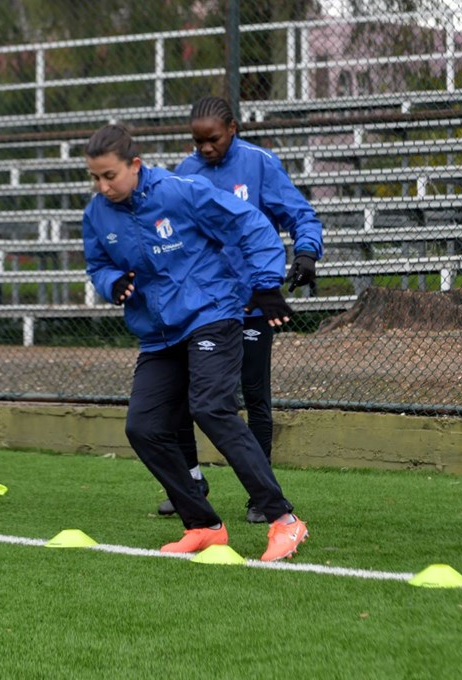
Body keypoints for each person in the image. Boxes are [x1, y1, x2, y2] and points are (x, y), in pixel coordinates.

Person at [81, 124, 308, 561]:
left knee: (210, 407)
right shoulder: (97, 214)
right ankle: (203, 524)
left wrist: (265, 284)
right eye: (95, 177)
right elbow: (97, 262)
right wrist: (113, 283)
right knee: (142, 428)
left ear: (135, 165)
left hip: (212, 314)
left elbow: (250, 224)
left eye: (109, 176)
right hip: (158, 331)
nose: (102, 186)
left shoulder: (180, 191)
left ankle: (284, 521)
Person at [154, 95, 325, 524]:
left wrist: (306, 253)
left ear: (233, 128)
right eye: (197, 142)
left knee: (254, 398)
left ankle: (261, 497)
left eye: (212, 139)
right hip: (203, 307)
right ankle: (189, 484)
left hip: (251, 305)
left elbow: (299, 213)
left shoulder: (260, 163)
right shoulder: (186, 173)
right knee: (184, 398)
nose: (205, 149)